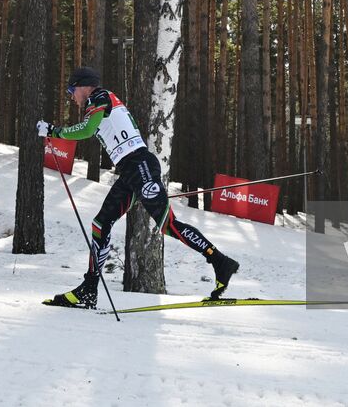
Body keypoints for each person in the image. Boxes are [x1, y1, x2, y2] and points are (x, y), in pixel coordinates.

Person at [38, 66, 240, 308]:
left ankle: (220, 261)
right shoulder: (98, 102)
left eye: (72, 90)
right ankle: (89, 289)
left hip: (140, 165)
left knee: (168, 225)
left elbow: (88, 130)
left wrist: (54, 131)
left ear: (84, 85)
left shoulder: (99, 96)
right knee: (100, 224)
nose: (72, 97)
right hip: (130, 170)